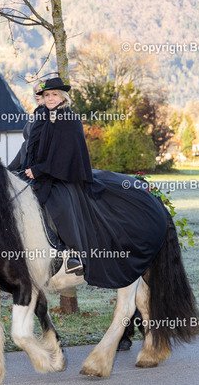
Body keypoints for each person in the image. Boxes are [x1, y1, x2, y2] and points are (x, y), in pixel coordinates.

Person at [24, 77, 169, 289]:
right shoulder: (43, 118)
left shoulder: (70, 120)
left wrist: (38, 170)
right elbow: (30, 148)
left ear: (63, 97)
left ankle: (74, 256)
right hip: (43, 175)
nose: (50, 98)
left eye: (54, 94)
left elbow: (65, 156)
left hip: (66, 176)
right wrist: (24, 169)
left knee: (61, 206)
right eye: (46, 95)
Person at [7, 81, 45, 172]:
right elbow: (25, 146)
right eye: (35, 91)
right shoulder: (36, 114)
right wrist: (9, 169)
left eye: (40, 91)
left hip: (36, 167)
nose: (36, 94)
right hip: (25, 164)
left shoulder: (48, 115)